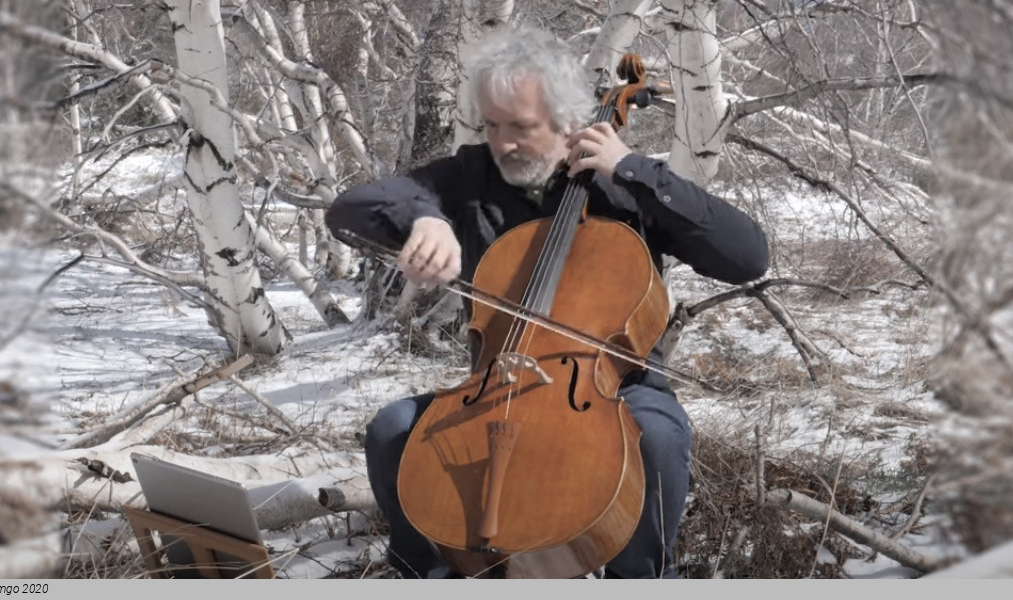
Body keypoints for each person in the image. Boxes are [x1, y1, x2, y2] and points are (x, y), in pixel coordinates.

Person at [325, 26, 769, 579]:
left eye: (521, 128)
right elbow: (351, 208)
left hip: (617, 390)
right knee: (391, 429)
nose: (502, 143)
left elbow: (749, 256)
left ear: (567, 123)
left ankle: (643, 580)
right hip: (493, 388)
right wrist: (427, 217)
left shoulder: (627, 187)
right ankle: (427, 574)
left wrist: (632, 168)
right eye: (492, 125)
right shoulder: (472, 175)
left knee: (655, 438)